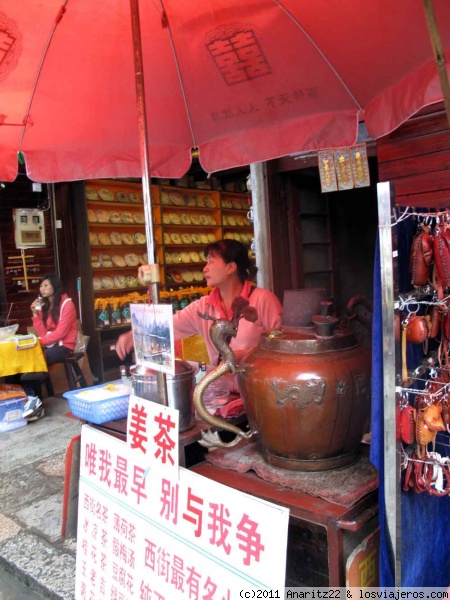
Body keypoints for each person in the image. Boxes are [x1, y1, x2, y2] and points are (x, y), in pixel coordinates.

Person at [115, 239, 282, 367]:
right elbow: (169, 326)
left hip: (257, 391)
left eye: (210, 261)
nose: (205, 268)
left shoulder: (263, 300)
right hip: (222, 392)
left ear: (230, 267)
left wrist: (244, 355)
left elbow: (282, 348)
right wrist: (133, 335)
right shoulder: (203, 306)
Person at [23, 273, 78, 420]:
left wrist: (39, 343)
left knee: (36, 363)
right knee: (30, 363)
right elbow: (43, 333)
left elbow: (61, 333)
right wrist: (36, 315)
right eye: (41, 286)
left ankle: (36, 404)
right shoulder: (46, 305)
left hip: (64, 346)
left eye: (46, 285)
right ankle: (35, 403)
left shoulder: (67, 304)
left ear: (55, 286)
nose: (42, 289)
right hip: (51, 345)